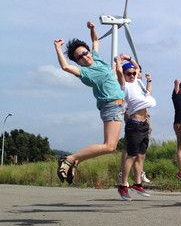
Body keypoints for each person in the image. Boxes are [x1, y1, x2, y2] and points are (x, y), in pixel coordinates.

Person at [53, 21, 125, 184]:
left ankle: (75, 161)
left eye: (85, 53)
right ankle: (69, 159)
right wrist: (58, 47)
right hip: (111, 105)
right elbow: (65, 67)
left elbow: (95, 41)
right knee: (109, 146)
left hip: (118, 105)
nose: (84, 57)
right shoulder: (84, 72)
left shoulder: (97, 59)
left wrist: (93, 29)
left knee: (110, 146)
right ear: (77, 62)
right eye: (79, 57)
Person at [115, 56, 156, 200]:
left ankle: (137, 184)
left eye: (133, 73)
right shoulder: (124, 85)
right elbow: (119, 73)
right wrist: (118, 62)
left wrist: (129, 58)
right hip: (134, 124)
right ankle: (123, 186)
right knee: (131, 156)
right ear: (124, 75)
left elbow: (137, 68)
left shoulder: (138, 82)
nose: (132, 75)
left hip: (144, 124)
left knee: (141, 155)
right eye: (129, 74)